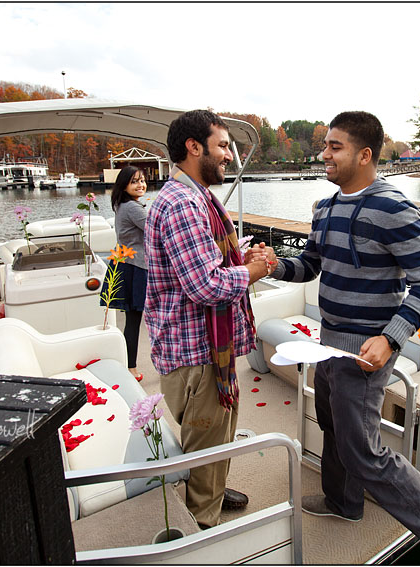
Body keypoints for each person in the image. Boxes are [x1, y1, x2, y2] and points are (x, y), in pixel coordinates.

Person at [266, 111, 420, 564]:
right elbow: (310, 266)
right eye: (325, 145)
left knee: (363, 450)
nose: (324, 153)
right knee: (331, 423)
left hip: (366, 350)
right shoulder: (324, 208)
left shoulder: (394, 209)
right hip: (326, 342)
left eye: (334, 147)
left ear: (364, 155)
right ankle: (344, 502)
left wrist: (391, 339)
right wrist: (274, 266)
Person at [143, 109, 271, 529]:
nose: (229, 156)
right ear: (193, 147)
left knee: (216, 435)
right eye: (222, 146)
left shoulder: (195, 196)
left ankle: (211, 488)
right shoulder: (183, 204)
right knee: (206, 441)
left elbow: (209, 263)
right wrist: (254, 272)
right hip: (195, 353)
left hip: (205, 349)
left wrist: (242, 258)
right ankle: (202, 525)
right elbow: (206, 285)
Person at [106, 165, 148, 381]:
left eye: (142, 180)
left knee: (132, 320)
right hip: (135, 267)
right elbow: (157, 229)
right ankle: (130, 368)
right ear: (124, 185)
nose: (140, 185)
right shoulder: (132, 208)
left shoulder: (121, 205)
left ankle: (128, 365)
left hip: (124, 263)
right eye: (134, 181)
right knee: (134, 320)